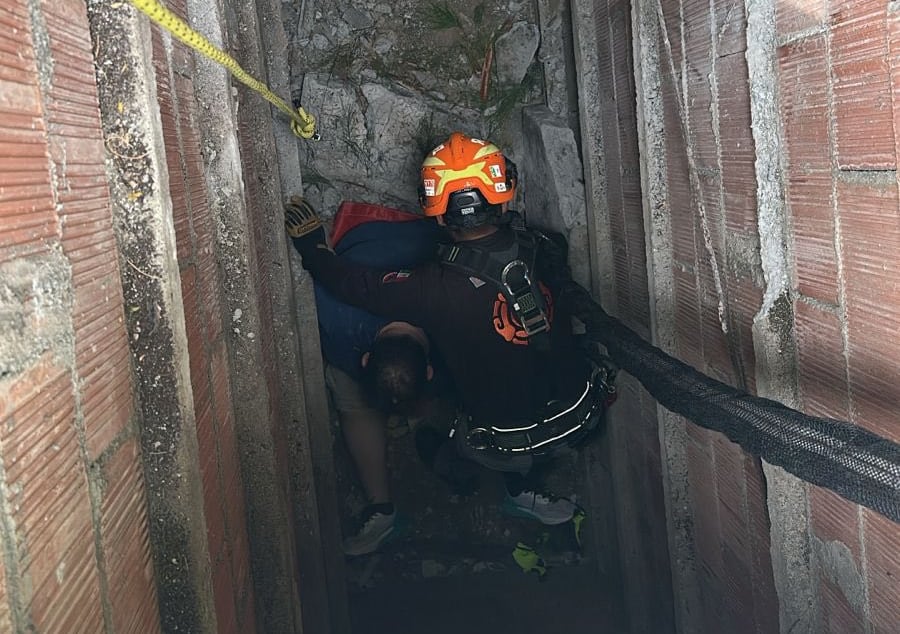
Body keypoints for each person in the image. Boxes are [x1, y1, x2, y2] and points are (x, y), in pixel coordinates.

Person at [286, 132, 611, 526]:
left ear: (439, 216)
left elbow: (355, 285)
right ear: (504, 197)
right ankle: (523, 488)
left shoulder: (435, 289)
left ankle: (463, 472)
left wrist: (313, 249)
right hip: (580, 415)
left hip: (502, 443)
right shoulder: (542, 247)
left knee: (448, 442)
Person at [286, 198, 445, 555]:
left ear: (367, 358)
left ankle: (381, 505)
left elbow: (322, 266)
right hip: (372, 245)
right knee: (351, 388)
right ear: (429, 368)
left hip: (377, 246)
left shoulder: (339, 319)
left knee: (354, 390)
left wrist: (313, 247)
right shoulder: (447, 304)